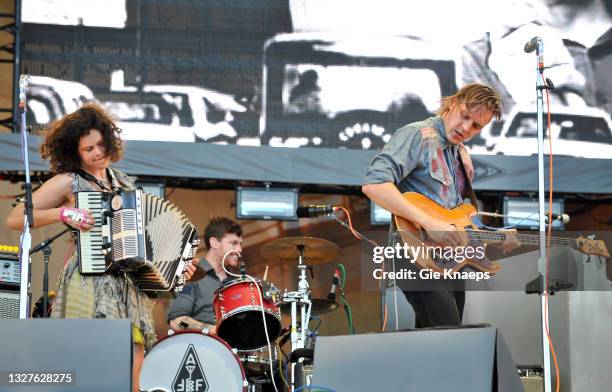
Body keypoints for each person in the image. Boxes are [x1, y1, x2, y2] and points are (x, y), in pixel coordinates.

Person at [5, 103, 197, 392]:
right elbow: (16, 218)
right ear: (75, 152)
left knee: (134, 367)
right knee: (91, 369)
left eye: (100, 144)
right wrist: (62, 214)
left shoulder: (123, 183)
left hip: (127, 289)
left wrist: (179, 269)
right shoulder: (68, 182)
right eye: (88, 148)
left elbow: (144, 245)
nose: (97, 152)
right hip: (89, 282)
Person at [362, 83, 519, 327]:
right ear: (452, 104)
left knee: (438, 340)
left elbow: (458, 217)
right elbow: (374, 184)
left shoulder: (461, 153)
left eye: (476, 125)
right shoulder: (417, 134)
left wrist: (496, 237)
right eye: (465, 116)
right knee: (450, 335)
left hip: (450, 258)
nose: (466, 128)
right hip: (415, 251)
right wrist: (428, 222)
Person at [167, 216, 243, 333]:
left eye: (240, 244)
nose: (239, 249)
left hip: (232, 348)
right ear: (214, 243)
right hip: (200, 347)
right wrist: (213, 330)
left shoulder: (238, 280)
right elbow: (177, 321)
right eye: (233, 243)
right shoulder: (190, 274)